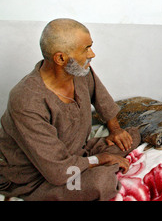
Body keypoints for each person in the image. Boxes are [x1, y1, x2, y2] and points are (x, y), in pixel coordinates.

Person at [0, 18, 140, 201]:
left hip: (75, 153)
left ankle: (93, 165)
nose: (92, 54)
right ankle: (98, 168)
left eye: (91, 46)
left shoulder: (79, 71)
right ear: (61, 58)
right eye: (86, 49)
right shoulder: (26, 100)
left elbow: (102, 101)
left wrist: (115, 130)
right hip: (37, 176)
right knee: (101, 182)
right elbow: (57, 171)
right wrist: (102, 159)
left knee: (133, 135)